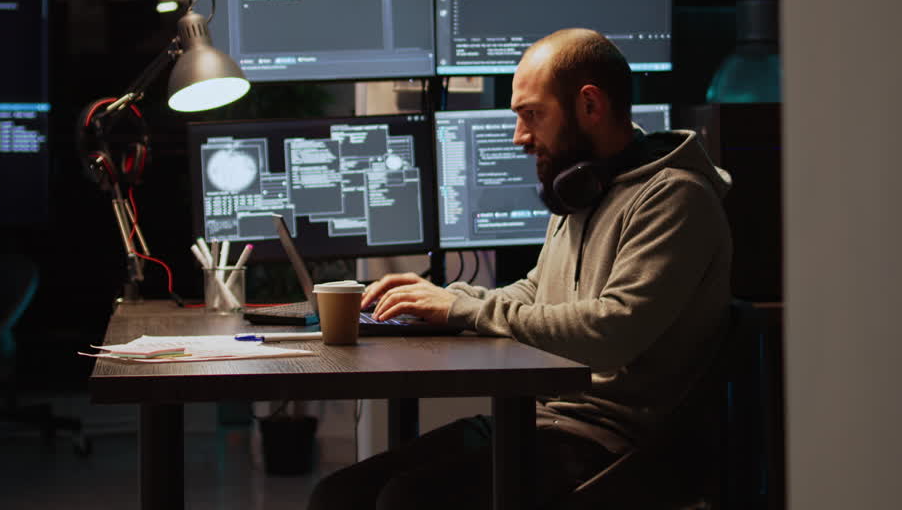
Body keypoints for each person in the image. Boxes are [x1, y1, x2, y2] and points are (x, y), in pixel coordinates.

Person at [308, 28, 733, 510]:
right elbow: (537, 291)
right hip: (542, 417)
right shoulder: (584, 188)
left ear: (590, 106)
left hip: (614, 442)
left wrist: (462, 311)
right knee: (338, 495)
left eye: (532, 115)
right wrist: (448, 299)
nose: (520, 137)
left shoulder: (675, 197)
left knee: (405, 500)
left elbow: (615, 329)